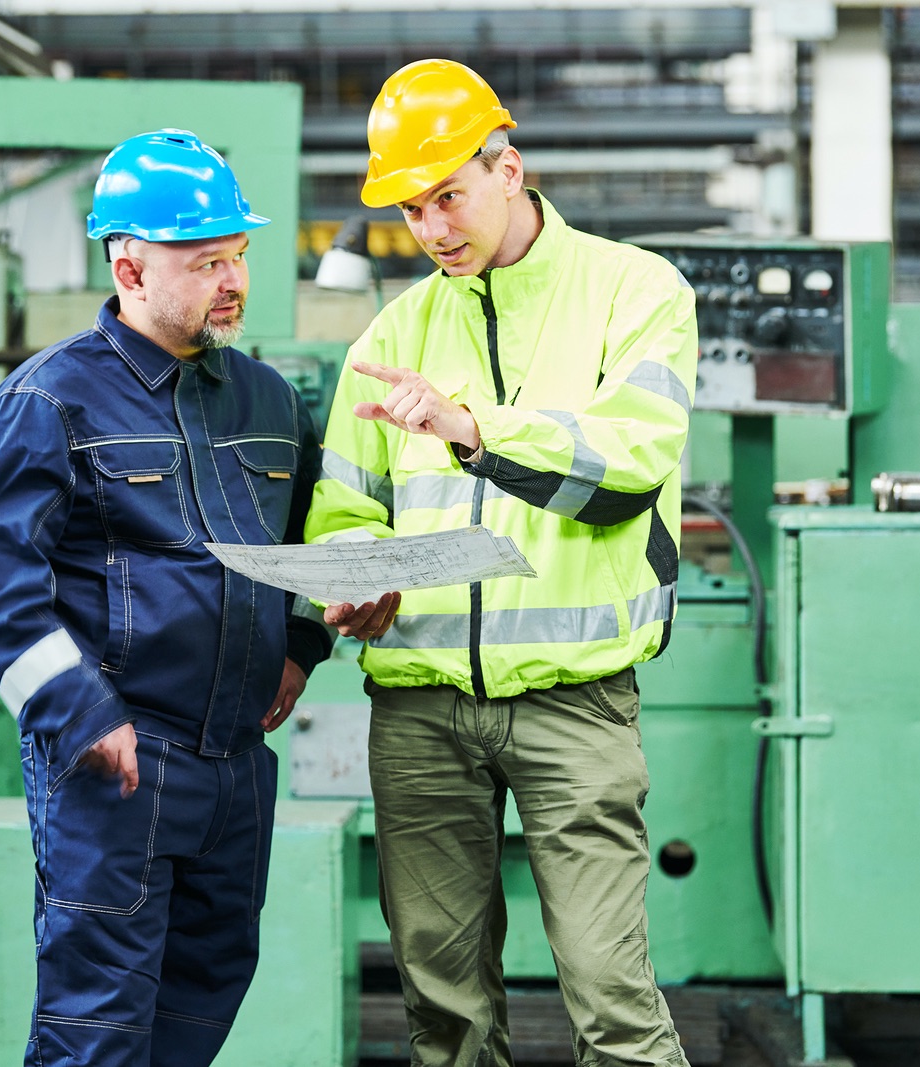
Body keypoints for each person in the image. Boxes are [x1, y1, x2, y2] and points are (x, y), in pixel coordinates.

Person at [306, 60, 697, 1067]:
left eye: (448, 195)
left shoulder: (634, 291)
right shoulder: (389, 338)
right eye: (411, 207)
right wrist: (353, 575)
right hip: (419, 707)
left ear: (509, 168)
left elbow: (627, 468)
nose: (432, 228)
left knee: (612, 999)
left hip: (575, 701)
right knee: (442, 1011)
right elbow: (345, 504)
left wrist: (474, 427)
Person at [0, 129, 331, 1067]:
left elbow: (316, 539)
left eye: (238, 256)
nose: (232, 280)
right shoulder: (49, 400)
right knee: (98, 1027)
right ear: (129, 264)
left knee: (201, 1005)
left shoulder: (269, 401)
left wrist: (300, 643)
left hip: (236, 767)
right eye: (206, 262)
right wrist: (76, 710)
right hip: (117, 767)